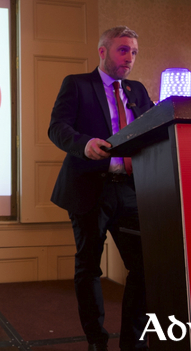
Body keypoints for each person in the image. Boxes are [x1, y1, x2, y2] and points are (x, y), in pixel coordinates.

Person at [48, 26, 154, 351]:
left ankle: (132, 343)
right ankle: (97, 341)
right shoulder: (77, 84)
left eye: (134, 52)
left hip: (130, 190)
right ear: (103, 51)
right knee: (89, 267)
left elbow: (151, 129)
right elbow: (58, 128)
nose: (130, 58)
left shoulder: (137, 90)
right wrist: (85, 144)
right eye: (123, 50)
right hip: (89, 187)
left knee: (145, 267)